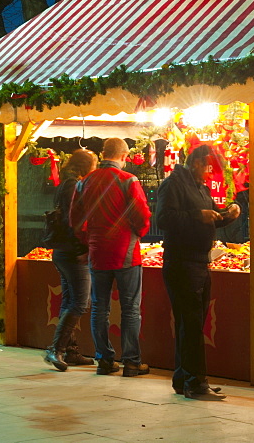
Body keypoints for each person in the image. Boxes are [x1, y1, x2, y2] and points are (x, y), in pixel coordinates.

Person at [156, 144, 240, 399]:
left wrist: (228, 215)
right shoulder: (173, 185)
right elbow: (163, 219)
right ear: (195, 163)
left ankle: (184, 378)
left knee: (191, 323)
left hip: (199, 262)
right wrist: (196, 215)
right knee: (191, 324)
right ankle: (196, 382)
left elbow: (209, 217)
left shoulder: (200, 188)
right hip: (182, 263)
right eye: (207, 166)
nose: (209, 172)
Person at [70, 137, 151, 377]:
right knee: (130, 309)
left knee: (99, 308)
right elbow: (143, 216)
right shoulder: (129, 180)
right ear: (124, 156)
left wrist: (90, 240)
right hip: (125, 252)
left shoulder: (83, 183)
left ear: (103, 153)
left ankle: (104, 360)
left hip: (97, 253)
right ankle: (132, 362)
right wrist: (137, 233)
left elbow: (76, 221)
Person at [44, 149, 98, 371]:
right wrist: (82, 246)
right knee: (80, 302)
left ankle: (71, 350)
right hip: (73, 251)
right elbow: (74, 220)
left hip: (63, 251)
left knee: (69, 300)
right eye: (94, 166)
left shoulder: (66, 184)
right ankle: (55, 349)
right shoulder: (74, 186)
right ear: (87, 167)